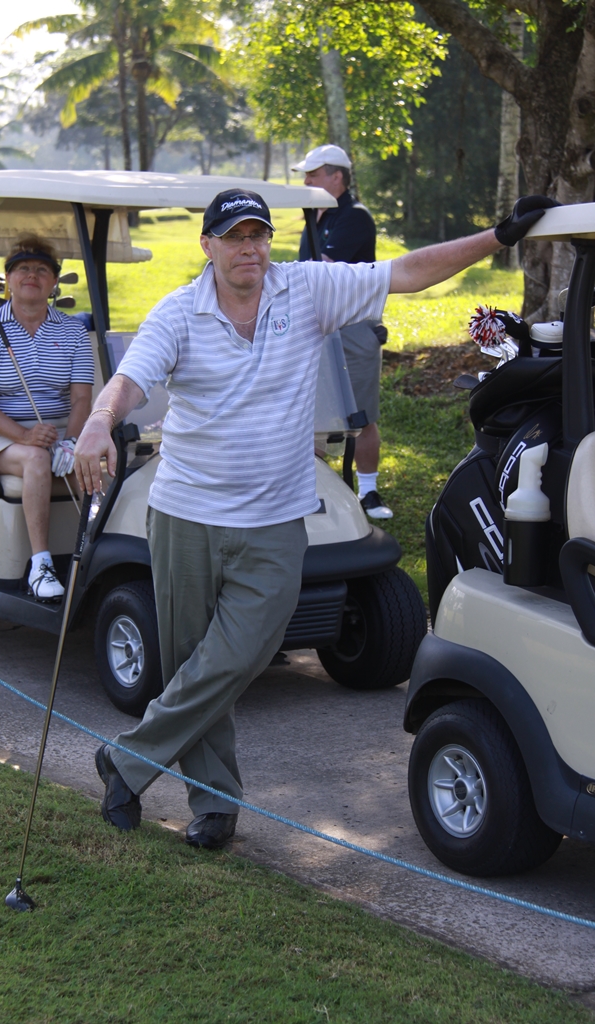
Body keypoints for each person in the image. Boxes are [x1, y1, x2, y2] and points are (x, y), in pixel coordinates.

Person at [75, 188, 552, 849]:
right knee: (193, 664)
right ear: (208, 245)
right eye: (234, 237)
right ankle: (214, 805)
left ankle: (126, 759)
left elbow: (408, 272)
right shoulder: (178, 313)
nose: (248, 248)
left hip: (275, 517)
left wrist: (498, 237)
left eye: (257, 235)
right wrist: (100, 420)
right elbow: (130, 381)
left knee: (236, 655)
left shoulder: (304, 289)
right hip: (186, 514)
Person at [0, 234, 94, 602]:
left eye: (41, 269)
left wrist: (72, 442)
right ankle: (41, 565)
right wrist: (24, 436)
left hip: (61, 432)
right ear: (8, 278)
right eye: (22, 268)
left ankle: (96, 555)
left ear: (54, 281)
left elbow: (81, 397)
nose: (32, 276)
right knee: (36, 459)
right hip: (2, 436)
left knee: (95, 463)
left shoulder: (72, 330)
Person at [294, 143, 391, 519]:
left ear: (337, 177)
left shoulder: (354, 217)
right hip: (316, 325)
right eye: (306, 175)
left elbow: (322, 268)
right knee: (313, 412)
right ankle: (315, 489)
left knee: (361, 414)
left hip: (352, 329)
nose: (306, 181)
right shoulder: (314, 217)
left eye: (313, 174)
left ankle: (368, 492)